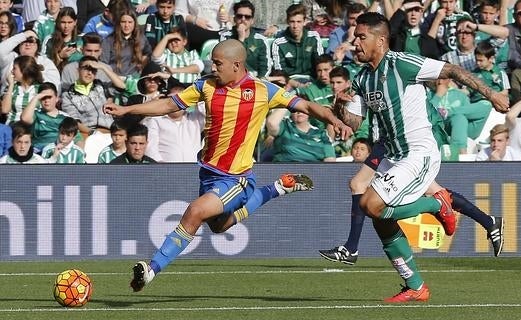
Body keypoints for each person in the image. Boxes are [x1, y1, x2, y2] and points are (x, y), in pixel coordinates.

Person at [102, 39, 352, 292]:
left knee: (195, 212)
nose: (213, 67)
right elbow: (169, 104)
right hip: (209, 174)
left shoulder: (263, 90)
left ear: (236, 65)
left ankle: (151, 269)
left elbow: (306, 105)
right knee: (219, 225)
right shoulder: (206, 86)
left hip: (236, 178)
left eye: (218, 63)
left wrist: (333, 119)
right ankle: (277, 188)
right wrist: (128, 109)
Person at [328, 12, 508, 302]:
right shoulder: (362, 78)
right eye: (355, 36)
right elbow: (353, 124)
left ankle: (438, 204)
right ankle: (415, 286)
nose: (356, 42)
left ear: (381, 40)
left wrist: (491, 95)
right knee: (379, 218)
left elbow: (452, 71)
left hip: (418, 151)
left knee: (370, 204)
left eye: (362, 37)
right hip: (394, 154)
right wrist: (339, 108)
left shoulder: (401, 63)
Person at [143, 81, 204, 162]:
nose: (178, 103)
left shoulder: (195, 118)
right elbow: (151, 147)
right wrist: (158, 164)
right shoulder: (155, 120)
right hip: (165, 171)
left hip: (193, 170)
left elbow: (207, 110)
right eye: (174, 98)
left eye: (182, 99)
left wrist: (194, 97)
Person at [271, 3, 324, 88]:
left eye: (299, 22)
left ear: (304, 21)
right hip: (289, 82)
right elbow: (278, 72)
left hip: (312, 81)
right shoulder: (278, 43)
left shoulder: (313, 37)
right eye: (292, 22)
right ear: (287, 21)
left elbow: (321, 62)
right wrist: (298, 85)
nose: (295, 26)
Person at [20, 82, 81, 152]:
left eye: (49, 97)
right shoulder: (36, 114)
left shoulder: (65, 117)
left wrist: (78, 153)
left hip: (59, 152)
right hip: (38, 152)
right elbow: (24, 119)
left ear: (57, 98)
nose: (46, 100)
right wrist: (36, 97)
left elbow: (78, 139)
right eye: (43, 98)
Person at [265, 108, 337, 162]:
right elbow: (271, 124)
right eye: (295, 109)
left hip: (312, 174)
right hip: (285, 173)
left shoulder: (322, 134)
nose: (299, 112)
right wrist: (286, 102)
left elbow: (330, 161)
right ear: (290, 112)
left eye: (302, 109)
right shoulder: (285, 126)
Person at [223, 0, 271, 78]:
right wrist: (241, 39)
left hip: (256, 80)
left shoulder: (260, 40)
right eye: (239, 16)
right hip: (232, 79)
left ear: (252, 21)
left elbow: (264, 67)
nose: (243, 19)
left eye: (247, 17)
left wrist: (260, 81)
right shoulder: (226, 37)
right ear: (235, 18)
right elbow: (227, 63)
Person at [1, 55, 43, 124]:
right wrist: (11, 85)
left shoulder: (40, 89)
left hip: (33, 129)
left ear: (24, 70)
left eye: (14, 68)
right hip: (12, 127)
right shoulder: (12, 88)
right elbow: (5, 110)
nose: (12, 71)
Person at [42, 7, 83, 71]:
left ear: (75, 22)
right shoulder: (49, 40)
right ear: (58, 22)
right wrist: (60, 56)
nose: (66, 26)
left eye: (70, 22)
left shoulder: (82, 39)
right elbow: (44, 67)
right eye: (63, 22)